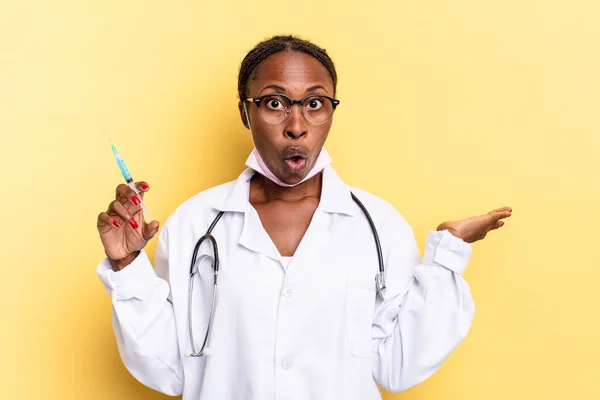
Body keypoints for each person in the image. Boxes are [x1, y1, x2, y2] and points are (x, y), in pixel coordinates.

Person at [96, 35, 511, 400]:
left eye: (314, 103)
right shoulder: (195, 224)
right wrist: (126, 267)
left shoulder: (379, 225)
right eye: (274, 103)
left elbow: (397, 368)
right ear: (245, 112)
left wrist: (446, 257)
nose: (296, 126)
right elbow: (169, 371)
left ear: (331, 111)